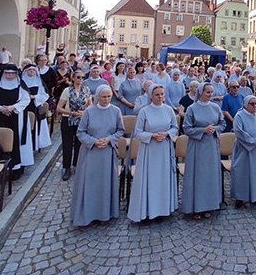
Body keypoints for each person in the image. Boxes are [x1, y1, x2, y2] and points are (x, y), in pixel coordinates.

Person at [70, 85, 124, 227]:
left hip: (107, 152)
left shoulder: (116, 111)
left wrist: (110, 140)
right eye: (103, 96)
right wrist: (93, 141)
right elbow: (80, 132)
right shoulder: (89, 112)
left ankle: (105, 213)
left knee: (105, 182)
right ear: (97, 97)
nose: (106, 99)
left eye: (109, 97)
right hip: (91, 152)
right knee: (89, 182)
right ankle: (87, 213)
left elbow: (120, 130)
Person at [127, 84, 179, 223]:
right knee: (150, 180)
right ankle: (147, 210)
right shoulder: (144, 111)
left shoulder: (168, 110)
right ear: (151, 96)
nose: (160, 97)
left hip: (164, 149)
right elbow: (137, 133)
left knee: (163, 179)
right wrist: (152, 136)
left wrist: (167, 134)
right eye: (157, 94)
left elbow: (175, 127)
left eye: (162, 94)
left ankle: (162, 210)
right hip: (149, 150)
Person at [181, 82, 226, 220]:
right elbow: (186, 129)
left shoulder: (215, 107)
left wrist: (215, 129)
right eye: (208, 92)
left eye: (212, 92)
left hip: (211, 145)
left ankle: (209, 205)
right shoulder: (192, 109)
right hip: (197, 146)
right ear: (201, 92)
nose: (211, 94)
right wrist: (202, 130)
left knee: (210, 176)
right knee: (198, 176)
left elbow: (222, 123)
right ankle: (196, 207)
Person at [0, 64, 33, 175]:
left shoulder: (20, 85)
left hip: (16, 116)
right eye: (7, 73)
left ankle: (15, 167)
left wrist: (12, 107)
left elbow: (25, 100)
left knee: (16, 140)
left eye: (12, 73)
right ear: (3, 73)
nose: (10, 75)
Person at [231, 95, 256, 208]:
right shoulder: (239, 116)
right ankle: (240, 197)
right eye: (252, 104)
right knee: (242, 172)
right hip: (244, 149)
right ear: (246, 104)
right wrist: (253, 142)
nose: (255, 106)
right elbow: (239, 132)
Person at [56, 70, 91, 181]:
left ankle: (77, 165)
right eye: (78, 77)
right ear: (73, 78)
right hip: (68, 119)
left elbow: (90, 105)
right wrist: (71, 113)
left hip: (81, 120)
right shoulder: (67, 91)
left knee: (79, 144)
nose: (80, 79)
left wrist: (84, 111)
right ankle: (66, 167)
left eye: (82, 77)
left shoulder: (86, 90)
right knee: (67, 145)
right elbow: (59, 107)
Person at [21, 64, 52, 151]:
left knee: (36, 126)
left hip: (35, 106)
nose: (31, 71)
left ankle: (36, 145)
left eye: (33, 70)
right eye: (29, 70)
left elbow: (45, 95)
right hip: (24, 107)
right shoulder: (21, 82)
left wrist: (34, 97)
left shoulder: (39, 82)